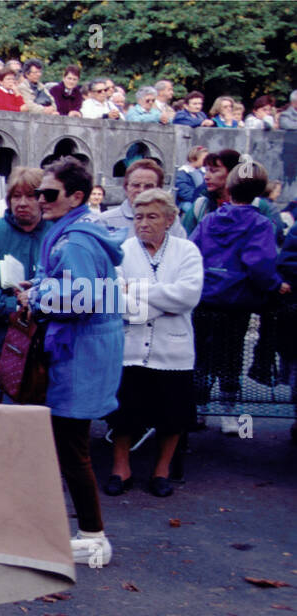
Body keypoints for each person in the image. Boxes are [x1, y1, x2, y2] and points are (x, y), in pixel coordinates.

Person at [15, 158, 124, 567]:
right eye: (39, 193)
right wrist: (43, 285)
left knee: (73, 448)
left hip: (79, 354)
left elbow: (81, 300)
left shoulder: (75, 240)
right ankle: (82, 530)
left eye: (49, 194)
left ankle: (94, 536)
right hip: (84, 350)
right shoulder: (81, 233)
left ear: (76, 196)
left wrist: (34, 297)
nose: (41, 201)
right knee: (67, 445)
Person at [106, 189, 204, 498]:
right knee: (124, 412)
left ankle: (162, 470)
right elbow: (116, 299)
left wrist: (137, 289)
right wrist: (163, 297)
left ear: (170, 219)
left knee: (172, 414)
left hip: (173, 350)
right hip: (130, 349)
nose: (144, 223)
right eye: (138, 217)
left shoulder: (187, 251)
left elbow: (188, 296)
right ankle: (121, 468)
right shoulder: (122, 251)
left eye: (152, 216)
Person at [190, 161, 289, 434]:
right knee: (231, 356)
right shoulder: (260, 223)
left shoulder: (210, 219)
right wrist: (275, 285)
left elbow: (192, 251)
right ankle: (229, 414)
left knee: (202, 356)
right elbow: (260, 264)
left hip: (206, 299)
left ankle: (198, 410)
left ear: (230, 187)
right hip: (236, 303)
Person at [0, 167, 50, 404]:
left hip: (47, 338)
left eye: (31, 196)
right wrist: (16, 306)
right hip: (5, 339)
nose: (23, 203)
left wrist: (39, 302)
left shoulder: (55, 232)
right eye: (16, 196)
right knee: (3, 409)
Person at [99, 159, 186, 242]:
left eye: (148, 186)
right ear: (126, 187)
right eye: (136, 185)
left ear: (159, 189)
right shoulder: (106, 220)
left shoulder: (169, 220)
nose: (141, 190)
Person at [174, 146, 208, 218]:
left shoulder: (204, 172)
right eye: (204, 159)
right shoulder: (182, 173)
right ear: (194, 158)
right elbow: (186, 193)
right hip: (187, 204)